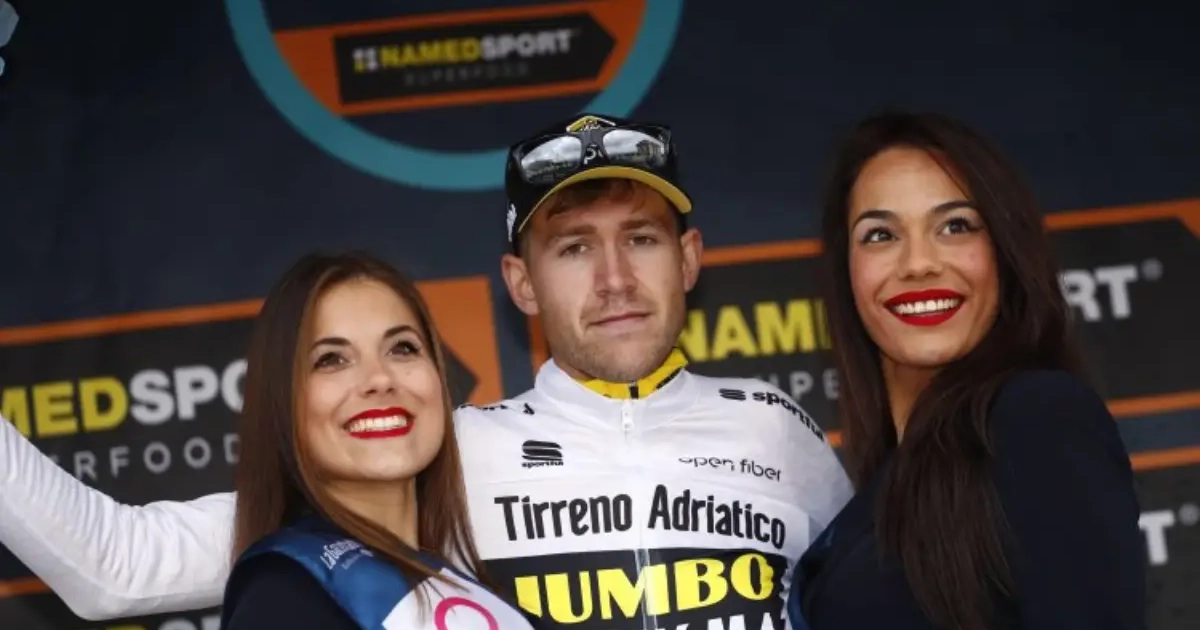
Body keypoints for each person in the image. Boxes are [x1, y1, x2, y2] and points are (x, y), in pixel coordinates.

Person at [0, 113, 852, 630]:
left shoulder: (778, 432)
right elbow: (116, 565)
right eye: (572, 248)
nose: (615, 280)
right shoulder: (439, 461)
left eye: (641, 239)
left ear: (690, 257)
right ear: (520, 282)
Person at [785, 112, 1146, 629]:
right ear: (846, 271)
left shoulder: (1038, 416)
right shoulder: (884, 484)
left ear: (1005, 252)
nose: (919, 263)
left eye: (955, 226)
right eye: (881, 235)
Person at [217, 251, 534, 629]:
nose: (380, 378)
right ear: (282, 402)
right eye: (331, 359)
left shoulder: (472, 586)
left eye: (402, 348)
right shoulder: (283, 597)